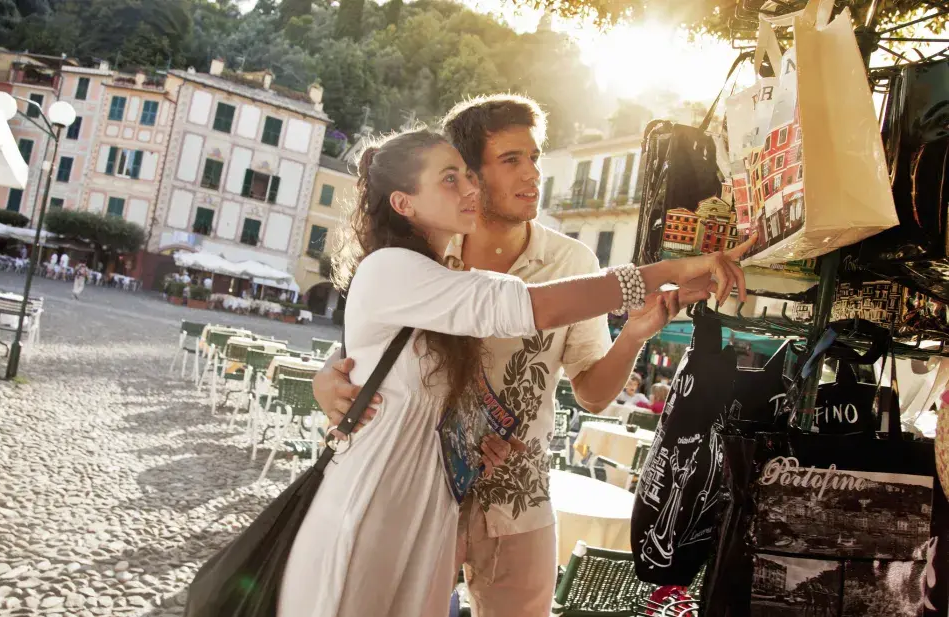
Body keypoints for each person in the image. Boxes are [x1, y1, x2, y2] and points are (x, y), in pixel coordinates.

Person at [311, 96, 757, 617]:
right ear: (470, 175)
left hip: (518, 499)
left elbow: (592, 393)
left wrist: (633, 336)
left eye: (535, 157)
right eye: (510, 160)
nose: (533, 175)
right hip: (421, 492)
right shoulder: (426, 257)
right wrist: (330, 375)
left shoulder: (573, 260)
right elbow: (375, 352)